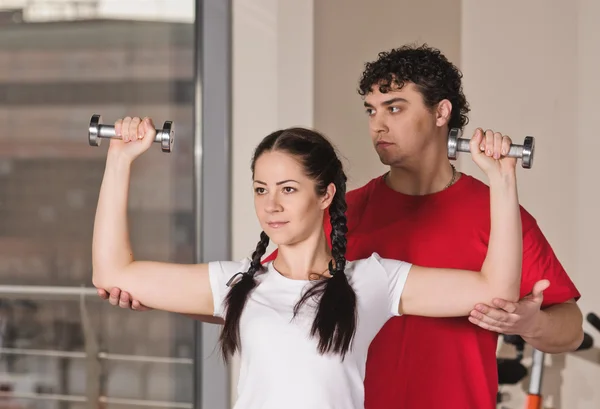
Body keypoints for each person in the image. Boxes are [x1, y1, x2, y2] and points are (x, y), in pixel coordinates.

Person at [98, 44, 583, 408]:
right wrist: (159, 294)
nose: (378, 125)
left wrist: (531, 322)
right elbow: (270, 300)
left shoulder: (498, 218)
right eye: (371, 110)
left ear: (441, 113)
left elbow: (569, 326)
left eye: (394, 108)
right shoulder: (341, 212)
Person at [93, 116, 522, 409]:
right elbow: (111, 273)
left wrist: (502, 179)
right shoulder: (238, 284)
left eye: (288, 189)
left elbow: (495, 291)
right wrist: (120, 158)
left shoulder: (372, 281)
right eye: (261, 190)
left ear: (326, 195)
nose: (271, 205)